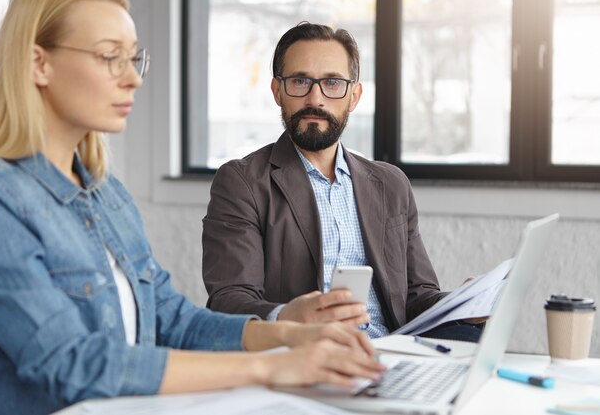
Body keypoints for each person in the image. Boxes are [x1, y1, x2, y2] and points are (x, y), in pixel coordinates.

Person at [0, 2, 385, 414]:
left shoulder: (105, 193)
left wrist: (288, 334)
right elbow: (69, 363)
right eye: (109, 57)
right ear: (39, 64)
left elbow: (172, 320)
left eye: (133, 58)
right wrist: (268, 367)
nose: (133, 78)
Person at [202, 22, 484, 342]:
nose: (316, 99)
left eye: (332, 83)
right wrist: (287, 317)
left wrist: (458, 305)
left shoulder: (391, 184)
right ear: (277, 91)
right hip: (306, 355)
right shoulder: (243, 182)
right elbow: (229, 300)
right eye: (299, 81)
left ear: (354, 96)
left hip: (394, 352)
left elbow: (417, 297)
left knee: (476, 349)